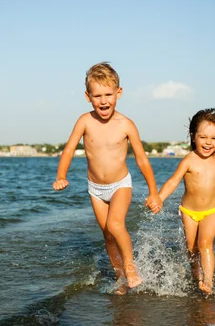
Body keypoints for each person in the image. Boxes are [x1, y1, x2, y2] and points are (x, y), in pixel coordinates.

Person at [52, 62, 163, 292]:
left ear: (119, 93)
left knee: (115, 224)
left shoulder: (126, 124)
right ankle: (121, 278)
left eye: (108, 95)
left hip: (120, 185)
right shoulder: (84, 121)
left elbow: (142, 159)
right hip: (95, 189)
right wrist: (61, 175)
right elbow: (69, 149)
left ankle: (130, 267)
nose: (103, 101)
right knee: (107, 235)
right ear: (88, 96)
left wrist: (153, 192)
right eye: (97, 96)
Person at [151, 108, 215, 295]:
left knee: (205, 244)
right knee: (191, 248)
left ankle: (208, 282)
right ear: (193, 136)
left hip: (212, 210)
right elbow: (173, 181)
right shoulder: (188, 160)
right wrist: (160, 198)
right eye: (203, 137)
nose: (208, 143)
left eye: (214, 138)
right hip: (189, 211)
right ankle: (195, 276)